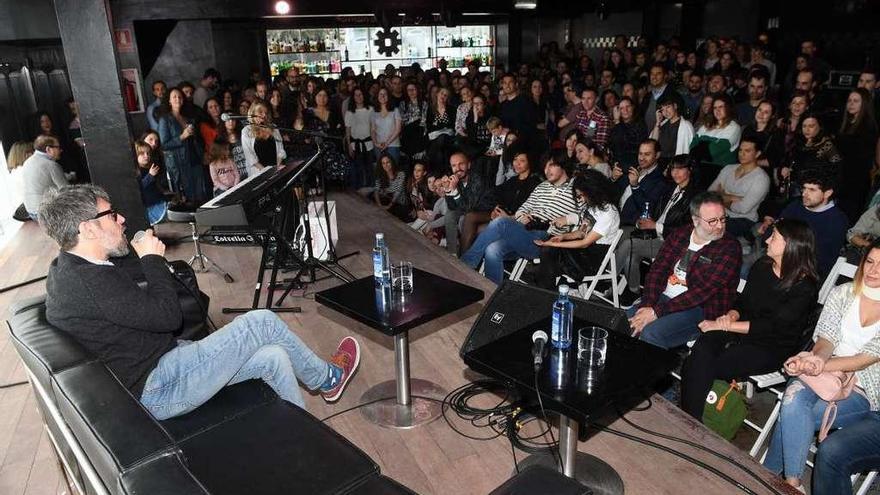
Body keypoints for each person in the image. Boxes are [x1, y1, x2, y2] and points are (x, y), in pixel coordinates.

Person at [38, 185, 360, 420]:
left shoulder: (70, 268)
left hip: (165, 365)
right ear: (88, 228)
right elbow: (168, 318)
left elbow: (135, 313)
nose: (121, 218)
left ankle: (304, 440)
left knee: (274, 356)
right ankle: (327, 379)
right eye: (111, 214)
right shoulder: (90, 283)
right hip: (159, 386)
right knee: (260, 322)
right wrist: (152, 260)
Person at [763, 239, 880, 492]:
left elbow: (865, 359)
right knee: (794, 399)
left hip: (861, 389)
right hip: (822, 371)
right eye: (870, 262)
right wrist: (816, 358)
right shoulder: (843, 293)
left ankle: (766, 478)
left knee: (793, 413)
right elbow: (826, 338)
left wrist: (816, 365)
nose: (873, 270)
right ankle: (792, 483)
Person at [680, 218, 819, 420]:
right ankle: (691, 421)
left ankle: (689, 421)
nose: (767, 241)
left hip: (772, 346)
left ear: (790, 245)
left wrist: (728, 325)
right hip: (740, 330)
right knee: (702, 350)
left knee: (702, 365)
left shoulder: (804, 287)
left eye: (774, 237)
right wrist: (730, 315)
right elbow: (743, 301)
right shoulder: (762, 266)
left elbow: (772, 327)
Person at [628, 191, 742, 349]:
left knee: (651, 333)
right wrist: (646, 305)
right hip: (665, 298)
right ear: (695, 220)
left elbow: (702, 292)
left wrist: (655, 312)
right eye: (712, 221)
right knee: (626, 321)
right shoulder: (680, 234)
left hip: (702, 309)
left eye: (723, 219)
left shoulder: (729, 247)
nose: (720, 226)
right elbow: (657, 271)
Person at [461, 152, 579, 285]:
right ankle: (491, 291)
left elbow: (585, 215)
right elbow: (523, 208)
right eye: (545, 167)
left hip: (547, 238)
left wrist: (567, 219)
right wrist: (523, 216)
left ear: (562, 166)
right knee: (492, 249)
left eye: (551, 166)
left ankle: (466, 264)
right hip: (525, 231)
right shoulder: (542, 186)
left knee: (500, 223)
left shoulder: (575, 189)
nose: (547, 170)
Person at [615, 155, 700, 308]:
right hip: (653, 234)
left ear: (690, 170)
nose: (676, 172)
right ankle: (634, 291)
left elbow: (687, 230)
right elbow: (648, 206)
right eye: (673, 168)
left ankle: (607, 277)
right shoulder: (670, 188)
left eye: (681, 169)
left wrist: (656, 226)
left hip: (672, 242)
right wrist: (635, 188)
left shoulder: (695, 197)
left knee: (629, 244)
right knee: (628, 249)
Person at [533, 170, 621, 291]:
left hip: (591, 258)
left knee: (548, 254)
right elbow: (580, 232)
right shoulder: (593, 206)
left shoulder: (608, 212)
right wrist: (563, 237)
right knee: (548, 253)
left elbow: (585, 243)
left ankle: (547, 292)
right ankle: (549, 291)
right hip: (582, 252)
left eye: (581, 195)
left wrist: (553, 243)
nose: (580, 199)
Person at [756, 167, 849, 278]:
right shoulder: (796, 205)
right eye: (804, 188)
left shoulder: (837, 221)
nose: (804, 193)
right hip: (773, 255)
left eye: (812, 190)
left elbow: (823, 262)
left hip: (800, 273)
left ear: (827, 193)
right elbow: (772, 231)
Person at [461, 146, 540, 254]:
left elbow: (530, 211)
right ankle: (462, 260)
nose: (517, 163)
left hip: (515, 220)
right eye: (515, 160)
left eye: (522, 161)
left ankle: (466, 261)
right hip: (501, 214)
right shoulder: (512, 180)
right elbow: (497, 195)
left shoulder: (534, 183)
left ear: (529, 162)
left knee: (478, 229)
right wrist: (495, 209)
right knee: (470, 216)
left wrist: (508, 216)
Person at [707, 137, 771, 238]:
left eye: (747, 151)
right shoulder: (728, 168)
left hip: (742, 220)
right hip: (718, 213)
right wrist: (732, 198)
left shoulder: (761, 178)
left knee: (713, 230)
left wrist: (721, 196)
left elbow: (743, 208)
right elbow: (710, 193)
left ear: (757, 154)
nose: (742, 154)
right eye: (740, 150)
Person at [837, 88, 879, 224]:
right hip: (841, 179)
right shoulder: (845, 125)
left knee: (848, 216)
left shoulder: (868, 127)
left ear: (864, 104)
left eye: (856, 101)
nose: (851, 104)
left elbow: (861, 158)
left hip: (856, 181)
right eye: (849, 101)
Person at [157, 87, 206, 205]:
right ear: (169, 101)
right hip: (179, 163)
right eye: (174, 97)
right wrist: (181, 137)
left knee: (200, 194)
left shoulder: (188, 118)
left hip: (194, 157)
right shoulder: (165, 119)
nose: (177, 99)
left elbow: (196, 139)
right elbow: (164, 145)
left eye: (180, 96)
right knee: (187, 198)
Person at [443, 152, 495, 256]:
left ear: (469, 165)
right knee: (450, 214)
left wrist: (455, 192)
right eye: (454, 165)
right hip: (471, 209)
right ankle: (452, 253)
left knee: (464, 218)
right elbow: (452, 206)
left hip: (487, 212)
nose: (458, 168)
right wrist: (448, 190)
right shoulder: (458, 180)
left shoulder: (477, 179)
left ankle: (464, 257)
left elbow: (469, 208)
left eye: (461, 164)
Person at [611, 139, 670, 227]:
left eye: (647, 154)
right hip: (612, 218)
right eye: (640, 153)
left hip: (630, 226)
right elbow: (612, 194)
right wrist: (613, 179)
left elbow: (648, 209)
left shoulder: (660, 181)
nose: (642, 158)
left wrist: (635, 186)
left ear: (657, 155)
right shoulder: (631, 169)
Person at [690, 93, 743, 184]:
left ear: (728, 108)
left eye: (721, 107)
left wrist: (702, 144)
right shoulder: (706, 125)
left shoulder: (734, 127)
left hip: (720, 173)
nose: (717, 111)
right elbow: (692, 147)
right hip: (700, 170)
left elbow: (713, 152)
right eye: (715, 108)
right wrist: (706, 145)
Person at [22, 135, 68, 220]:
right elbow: (67, 191)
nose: (61, 150)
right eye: (58, 147)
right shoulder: (51, 165)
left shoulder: (27, 162)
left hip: (31, 211)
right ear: (48, 149)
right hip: (46, 214)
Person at [241, 100, 286, 177]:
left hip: (276, 171)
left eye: (265, 112)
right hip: (259, 173)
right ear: (253, 113)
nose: (264, 115)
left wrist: (277, 168)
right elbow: (250, 157)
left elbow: (280, 151)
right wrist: (266, 172)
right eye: (260, 112)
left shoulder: (273, 128)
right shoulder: (246, 131)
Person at [649, 92, 695, 160]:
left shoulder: (685, 126)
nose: (666, 112)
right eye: (662, 109)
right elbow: (652, 143)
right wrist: (658, 123)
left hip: (674, 163)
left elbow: (686, 151)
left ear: (675, 106)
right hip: (659, 161)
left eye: (668, 107)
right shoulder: (662, 124)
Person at [344, 87, 374, 189]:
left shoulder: (370, 109)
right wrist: (349, 145)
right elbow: (348, 130)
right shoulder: (349, 112)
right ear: (353, 97)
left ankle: (371, 189)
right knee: (358, 168)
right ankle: (358, 190)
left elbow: (373, 127)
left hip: (369, 143)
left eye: (360, 94)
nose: (358, 97)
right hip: (355, 144)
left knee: (369, 168)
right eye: (356, 95)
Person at [608, 96, 648, 168]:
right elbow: (612, 144)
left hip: (633, 164)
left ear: (633, 107)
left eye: (628, 106)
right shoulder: (617, 125)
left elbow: (629, 145)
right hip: (617, 165)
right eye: (621, 108)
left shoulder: (640, 123)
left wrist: (617, 122)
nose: (625, 110)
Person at [134, 140, 168, 226]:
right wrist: (150, 175)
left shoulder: (149, 168)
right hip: (151, 209)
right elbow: (137, 188)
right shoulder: (135, 172)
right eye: (142, 153)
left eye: (148, 153)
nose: (146, 156)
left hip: (158, 202)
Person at [371, 153, 411, 222]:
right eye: (383, 163)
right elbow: (376, 190)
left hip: (399, 202)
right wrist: (379, 204)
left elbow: (397, 193)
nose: (386, 165)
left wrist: (389, 206)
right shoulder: (380, 175)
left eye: (388, 162)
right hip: (387, 199)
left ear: (391, 162)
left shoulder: (401, 174)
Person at [640, 63, 677, 131]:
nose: (654, 77)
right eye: (652, 74)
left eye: (658, 74)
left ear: (665, 76)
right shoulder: (647, 96)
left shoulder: (673, 95)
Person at [371, 87, 402, 163]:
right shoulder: (374, 112)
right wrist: (375, 143)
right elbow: (373, 130)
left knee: (393, 169)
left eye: (385, 94)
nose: (383, 96)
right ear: (377, 96)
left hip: (393, 145)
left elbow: (398, 129)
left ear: (389, 96)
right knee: (381, 171)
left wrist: (387, 143)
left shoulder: (395, 110)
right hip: (379, 146)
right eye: (380, 94)